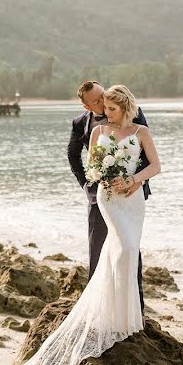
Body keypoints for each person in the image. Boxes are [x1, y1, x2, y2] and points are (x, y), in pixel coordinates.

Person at [11, 85, 161, 365]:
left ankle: (130, 317)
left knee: (127, 251)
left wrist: (133, 180)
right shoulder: (93, 130)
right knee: (113, 249)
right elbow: (88, 164)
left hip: (132, 198)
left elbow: (153, 165)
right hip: (106, 197)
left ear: (123, 106)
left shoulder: (140, 128)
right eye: (100, 105)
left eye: (109, 106)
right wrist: (95, 182)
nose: (105, 110)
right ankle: (107, 314)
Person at [67, 80, 150, 310]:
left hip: (132, 195)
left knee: (130, 247)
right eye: (96, 102)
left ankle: (135, 309)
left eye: (102, 96)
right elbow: (73, 156)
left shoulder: (132, 112)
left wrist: (138, 181)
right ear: (86, 107)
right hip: (100, 197)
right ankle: (97, 308)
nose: (103, 103)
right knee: (98, 249)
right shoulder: (82, 124)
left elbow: (145, 153)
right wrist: (86, 186)